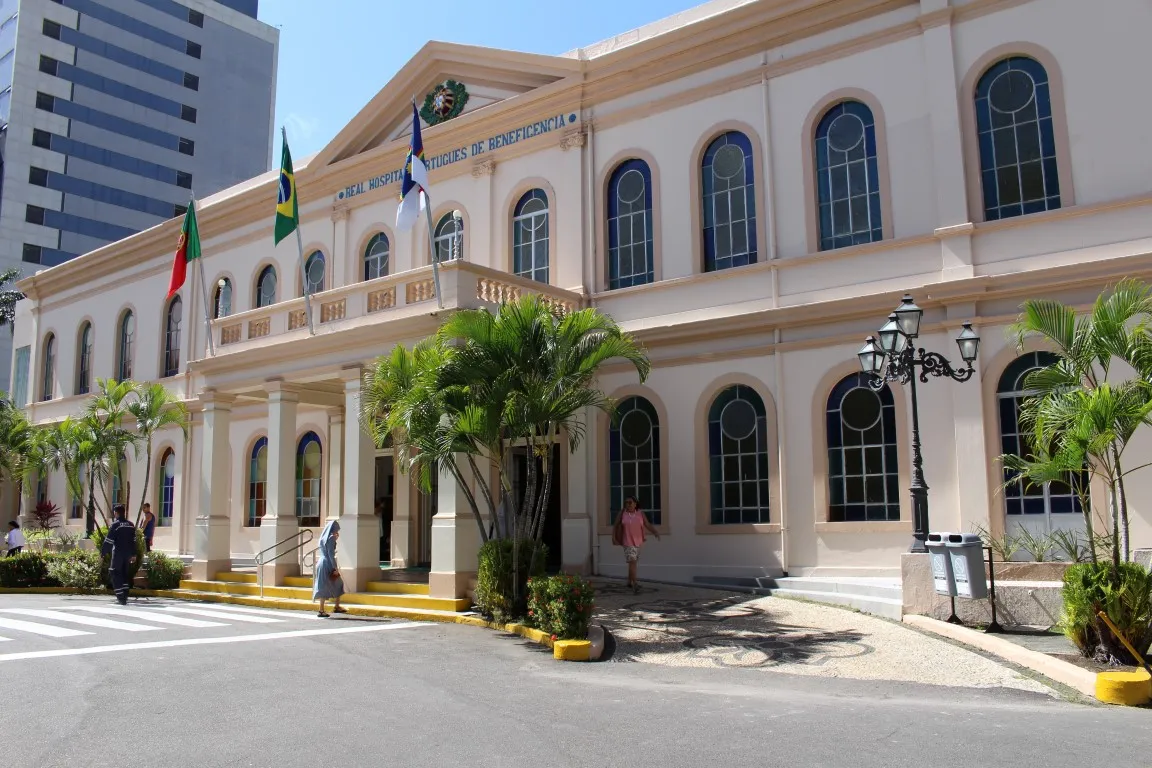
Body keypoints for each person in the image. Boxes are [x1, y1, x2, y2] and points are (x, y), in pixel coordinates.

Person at [612, 496, 660, 594]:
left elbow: (647, 524)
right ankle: (635, 584)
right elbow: (616, 525)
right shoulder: (622, 513)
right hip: (627, 542)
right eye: (626, 503)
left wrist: (655, 532)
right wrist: (614, 538)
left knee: (632, 563)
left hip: (638, 542)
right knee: (633, 561)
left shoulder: (640, 514)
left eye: (630, 502)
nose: (628, 504)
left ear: (635, 503)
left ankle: (629, 581)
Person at [101, 505, 137, 605]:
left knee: (115, 573)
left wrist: (103, 553)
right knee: (125, 574)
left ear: (116, 513)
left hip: (118, 554)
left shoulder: (116, 525)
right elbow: (134, 541)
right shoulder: (131, 525)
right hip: (128, 554)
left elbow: (108, 540)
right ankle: (125, 595)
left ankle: (120, 597)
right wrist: (134, 554)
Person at [312, 520, 346, 617]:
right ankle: (328, 608)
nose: (337, 532)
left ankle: (331, 607)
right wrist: (335, 567)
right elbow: (331, 554)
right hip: (327, 563)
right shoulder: (331, 538)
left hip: (321, 562)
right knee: (338, 583)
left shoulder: (322, 538)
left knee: (324, 585)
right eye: (336, 530)